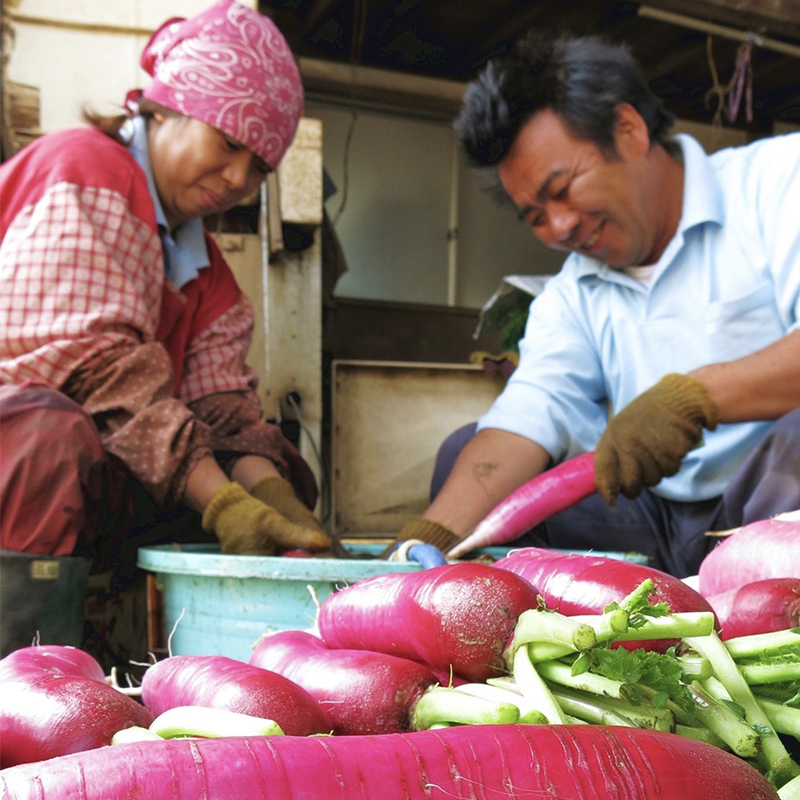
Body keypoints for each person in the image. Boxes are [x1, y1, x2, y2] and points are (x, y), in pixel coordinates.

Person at [394, 31, 800, 578]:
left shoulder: (778, 181)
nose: (559, 226)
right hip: (653, 522)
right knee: (465, 457)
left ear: (628, 129)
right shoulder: (572, 294)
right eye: (535, 216)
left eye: (562, 188)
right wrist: (424, 542)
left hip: (772, 507)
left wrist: (696, 397)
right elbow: (530, 414)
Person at [0, 0, 332, 590]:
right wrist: (225, 505)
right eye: (227, 143)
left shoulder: (208, 275)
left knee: (276, 465)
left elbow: (225, 414)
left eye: (259, 168)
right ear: (167, 108)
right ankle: (22, 657)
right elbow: (96, 372)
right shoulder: (85, 173)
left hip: (92, 455)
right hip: (21, 453)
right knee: (49, 440)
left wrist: (278, 502)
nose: (237, 179)